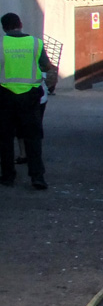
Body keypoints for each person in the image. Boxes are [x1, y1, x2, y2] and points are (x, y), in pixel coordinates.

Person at [0, 13, 53, 190]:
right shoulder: (36, 43)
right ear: (20, 24)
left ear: (4, 28)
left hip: (5, 96)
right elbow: (46, 66)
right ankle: (37, 177)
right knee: (33, 138)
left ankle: (8, 176)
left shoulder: (1, 44)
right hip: (30, 97)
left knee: (5, 139)